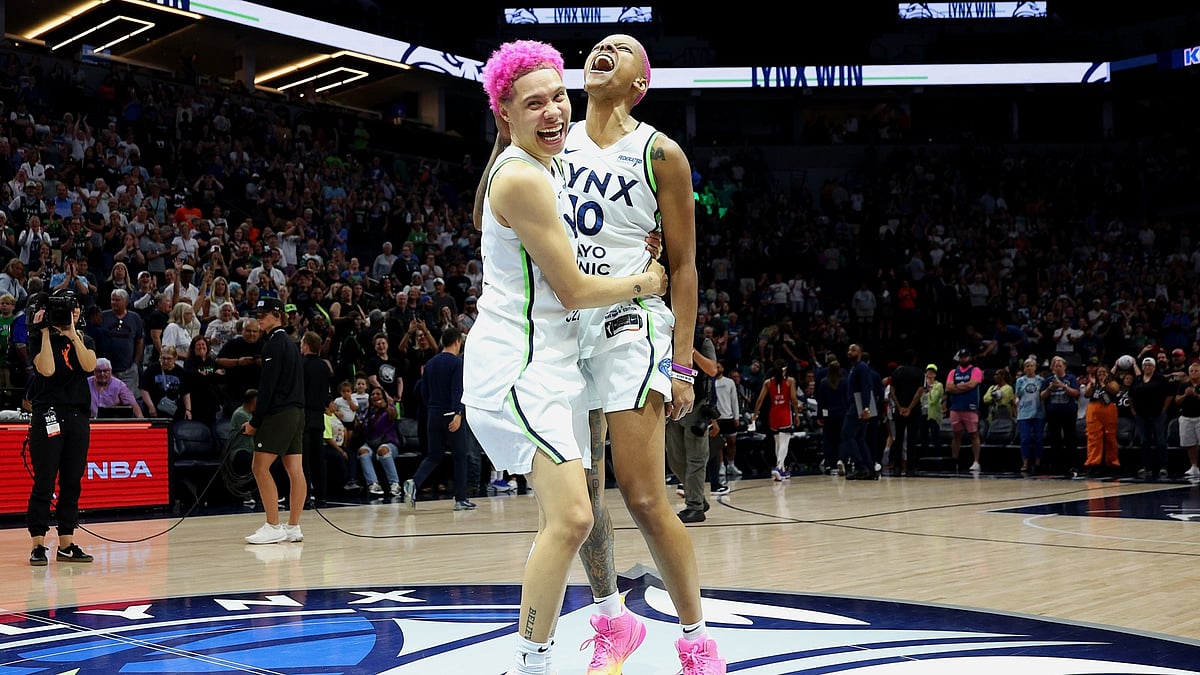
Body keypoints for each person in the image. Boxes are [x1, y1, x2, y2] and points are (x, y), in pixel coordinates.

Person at [466, 40, 668, 675]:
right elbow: (575, 289)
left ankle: (607, 621)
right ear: (505, 112)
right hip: (518, 371)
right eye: (535, 103)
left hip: (557, 363)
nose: (555, 111)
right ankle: (532, 661)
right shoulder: (523, 176)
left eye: (559, 97)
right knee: (574, 515)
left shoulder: (544, 164)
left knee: (579, 511)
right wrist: (647, 280)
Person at [557, 33, 724, 675]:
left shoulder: (662, 152)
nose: (604, 49)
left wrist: (682, 365)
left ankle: (696, 642)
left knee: (644, 494)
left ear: (639, 83)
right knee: (581, 499)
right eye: (599, 44)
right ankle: (611, 624)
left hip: (631, 318)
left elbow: (683, 267)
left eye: (621, 48)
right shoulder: (553, 136)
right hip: (566, 323)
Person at [25, 290, 98, 565]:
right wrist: (45, 332)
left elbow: (89, 365)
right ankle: (38, 544)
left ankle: (67, 542)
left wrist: (73, 335)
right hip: (49, 412)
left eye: (75, 307)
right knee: (45, 480)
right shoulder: (37, 337)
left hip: (78, 414)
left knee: (72, 481)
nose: (72, 312)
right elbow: (46, 370)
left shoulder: (85, 338)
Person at [242, 297, 306, 545]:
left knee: (259, 467)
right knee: (294, 470)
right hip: (297, 412)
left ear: (278, 315)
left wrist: (255, 422)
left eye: (264, 314)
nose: (259, 317)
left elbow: (266, 388)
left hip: (280, 413)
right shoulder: (291, 343)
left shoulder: (273, 344)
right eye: (258, 314)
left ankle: (272, 525)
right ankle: (293, 526)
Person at [406, 327, 474, 510]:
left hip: (432, 415)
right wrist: (458, 413)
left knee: (433, 456)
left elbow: (424, 392)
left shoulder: (430, 363)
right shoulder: (456, 363)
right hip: (451, 416)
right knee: (460, 456)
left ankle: (414, 483)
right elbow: (457, 390)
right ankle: (460, 499)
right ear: (457, 342)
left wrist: (433, 409)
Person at [665, 332, 719, 523]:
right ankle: (698, 498)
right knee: (675, 461)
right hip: (672, 407)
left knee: (696, 460)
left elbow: (712, 370)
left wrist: (691, 351)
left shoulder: (703, 342)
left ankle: (695, 507)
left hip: (696, 407)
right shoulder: (664, 339)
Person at [752, 359, 801, 481]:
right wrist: (796, 414)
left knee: (778, 442)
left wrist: (755, 413)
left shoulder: (768, 382)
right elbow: (794, 399)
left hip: (773, 414)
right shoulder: (790, 381)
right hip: (784, 413)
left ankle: (782, 469)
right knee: (785, 442)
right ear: (785, 369)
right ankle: (778, 467)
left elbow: (760, 400)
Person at [300, 330, 333, 506]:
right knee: (318, 457)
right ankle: (322, 495)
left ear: (305, 345)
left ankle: (304, 496)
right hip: (319, 416)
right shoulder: (324, 366)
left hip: (303, 415)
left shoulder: (301, 364)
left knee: (303, 458)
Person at [1129, 356, 1170, 481]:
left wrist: (1163, 410)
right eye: (1145, 365)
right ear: (1142, 367)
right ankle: (1147, 467)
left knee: (1160, 440)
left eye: (1150, 365)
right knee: (1144, 441)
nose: (1147, 367)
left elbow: (1169, 395)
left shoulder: (1160, 379)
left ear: (1154, 367)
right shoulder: (1138, 380)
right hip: (1141, 415)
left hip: (1157, 414)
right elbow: (1131, 395)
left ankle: (1163, 467)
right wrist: (1133, 410)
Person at [945, 348, 984, 472]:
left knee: (973, 434)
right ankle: (954, 460)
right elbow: (948, 388)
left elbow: (972, 384)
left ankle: (976, 461)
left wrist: (956, 387)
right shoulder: (953, 372)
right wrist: (963, 386)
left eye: (966, 357)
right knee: (956, 435)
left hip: (970, 407)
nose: (963, 359)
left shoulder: (976, 370)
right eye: (961, 357)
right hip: (956, 407)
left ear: (970, 357)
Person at [1082, 359, 1120, 476]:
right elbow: (1087, 394)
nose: (1101, 374)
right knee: (1093, 438)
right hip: (1094, 410)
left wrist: (1104, 384)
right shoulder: (1093, 382)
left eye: (1104, 372)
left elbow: (1114, 390)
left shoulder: (1112, 382)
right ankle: (1093, 464)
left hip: (1108, 410)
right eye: (1099, 372)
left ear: (1108, 373)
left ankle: (1112, 463)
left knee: (1110, 438)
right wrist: (1093, 384)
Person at [1013, 358, 1046, 473]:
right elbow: (1017, 395)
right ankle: (1025, 462)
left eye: (1032, 365)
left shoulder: (1040, 380)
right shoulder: (1020, 381)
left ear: (1035, 367)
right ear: (1024, 368)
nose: (1029, 368)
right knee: (1025, 439)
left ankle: (1037, 462)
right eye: (1027, 366)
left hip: (1038, 412)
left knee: (1038, 439)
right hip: (1024, 413)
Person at [1174, 362, 1200, 479]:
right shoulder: (1184, 385)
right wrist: (1185, 395)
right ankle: (1194, 466)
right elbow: (1177, 400)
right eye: (1191, 371)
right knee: (1190, 444)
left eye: (1196, 371)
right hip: (1186, 417)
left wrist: (1195, 395)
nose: (1193, 373)